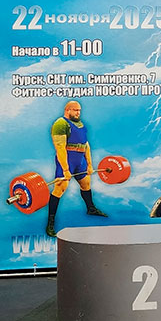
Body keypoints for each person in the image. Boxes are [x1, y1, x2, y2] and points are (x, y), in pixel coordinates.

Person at [46, 100, 106, 237]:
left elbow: (86, 145)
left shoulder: (81, 124)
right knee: (59, 189)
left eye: (79, 110)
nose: (78, 113)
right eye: (75, 110)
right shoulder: (60, 124)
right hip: (67, 161)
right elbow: (60, 148)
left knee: (86, 184)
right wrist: (66, 170)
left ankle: (91, 208)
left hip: (80, 161)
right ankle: (50, 223)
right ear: (67, 110)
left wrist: (89, 164)